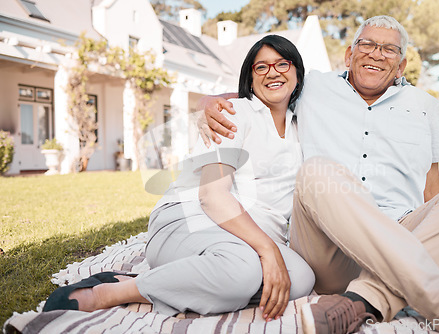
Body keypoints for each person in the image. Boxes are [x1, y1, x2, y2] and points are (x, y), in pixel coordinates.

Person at [198, 15, 439, 334]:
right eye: (367, 44)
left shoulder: (426, 107)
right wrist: (208, 104)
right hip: (328, 247)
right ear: (348, 54)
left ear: (401, 65)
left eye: (388, 49)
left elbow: (433, 190)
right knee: (317, 171)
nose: (375, 53)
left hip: (403, 234)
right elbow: (260, 92)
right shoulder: (312, 87)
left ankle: (361, 302)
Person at [42, 35, 315, 322]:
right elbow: (212, 197)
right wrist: (268, 250)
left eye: (282, 64)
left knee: (301, 279)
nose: (273, 72)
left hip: (247, 241)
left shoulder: (302, 126)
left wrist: (267, 249)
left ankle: (196, 279)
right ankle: (114, 291)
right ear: (250, 79)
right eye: (261, 67)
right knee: (243, 272)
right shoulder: (235, 114)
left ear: (297, 72)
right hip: (192, 220)